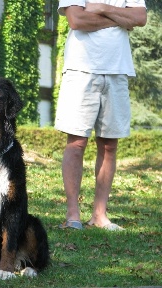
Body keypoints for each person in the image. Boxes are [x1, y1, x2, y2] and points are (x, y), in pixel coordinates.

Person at [55, 0, 147, 230]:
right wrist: (120, 18)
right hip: (81, 70)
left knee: (109, 145)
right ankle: (72, 215)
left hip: (117, 69)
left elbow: (140, 18)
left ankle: (99, 215)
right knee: (76, 142)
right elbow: (77, 20)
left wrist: (102, 8)